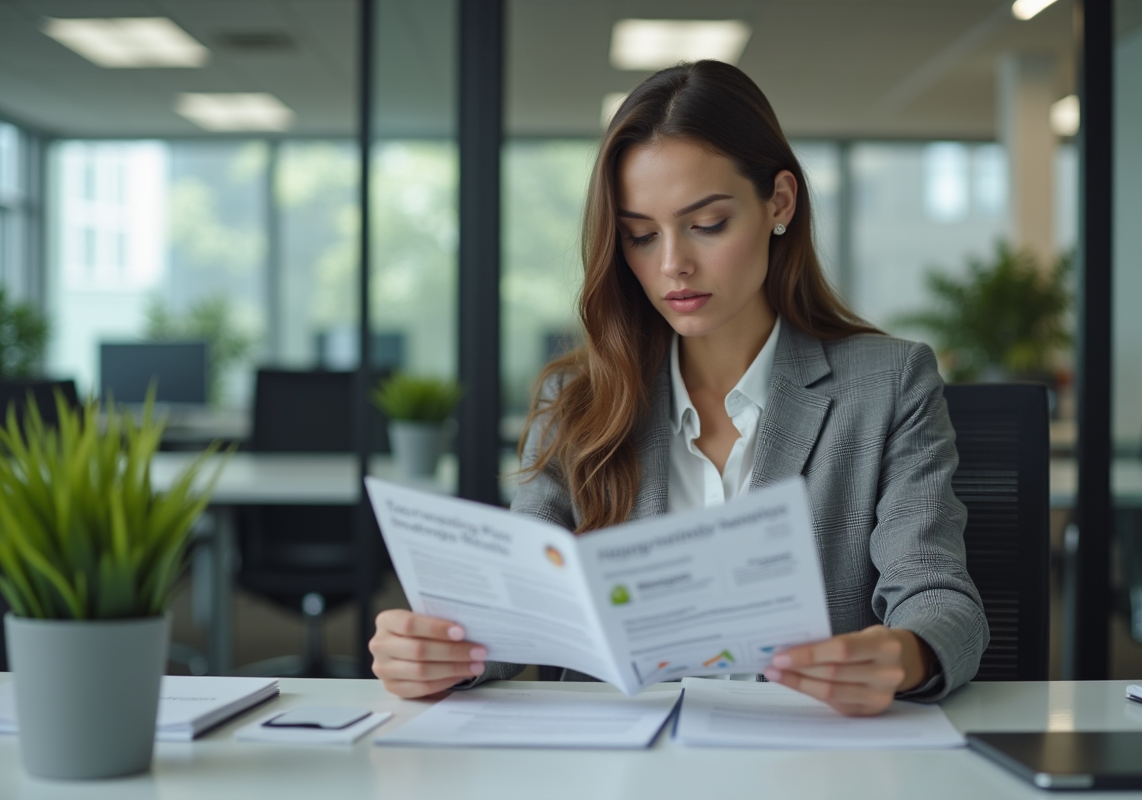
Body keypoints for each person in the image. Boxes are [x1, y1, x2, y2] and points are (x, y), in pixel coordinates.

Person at [370, 60, 988, 716]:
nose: (672, 265)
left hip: (805, 750)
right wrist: (441, 650)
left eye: (708, 224)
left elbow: (941, 599)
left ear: (779, 202)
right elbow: (521, 605)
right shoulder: (579, 399)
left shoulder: (888, 384)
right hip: (620, 756)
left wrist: (903, 654)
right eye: (640, 235)